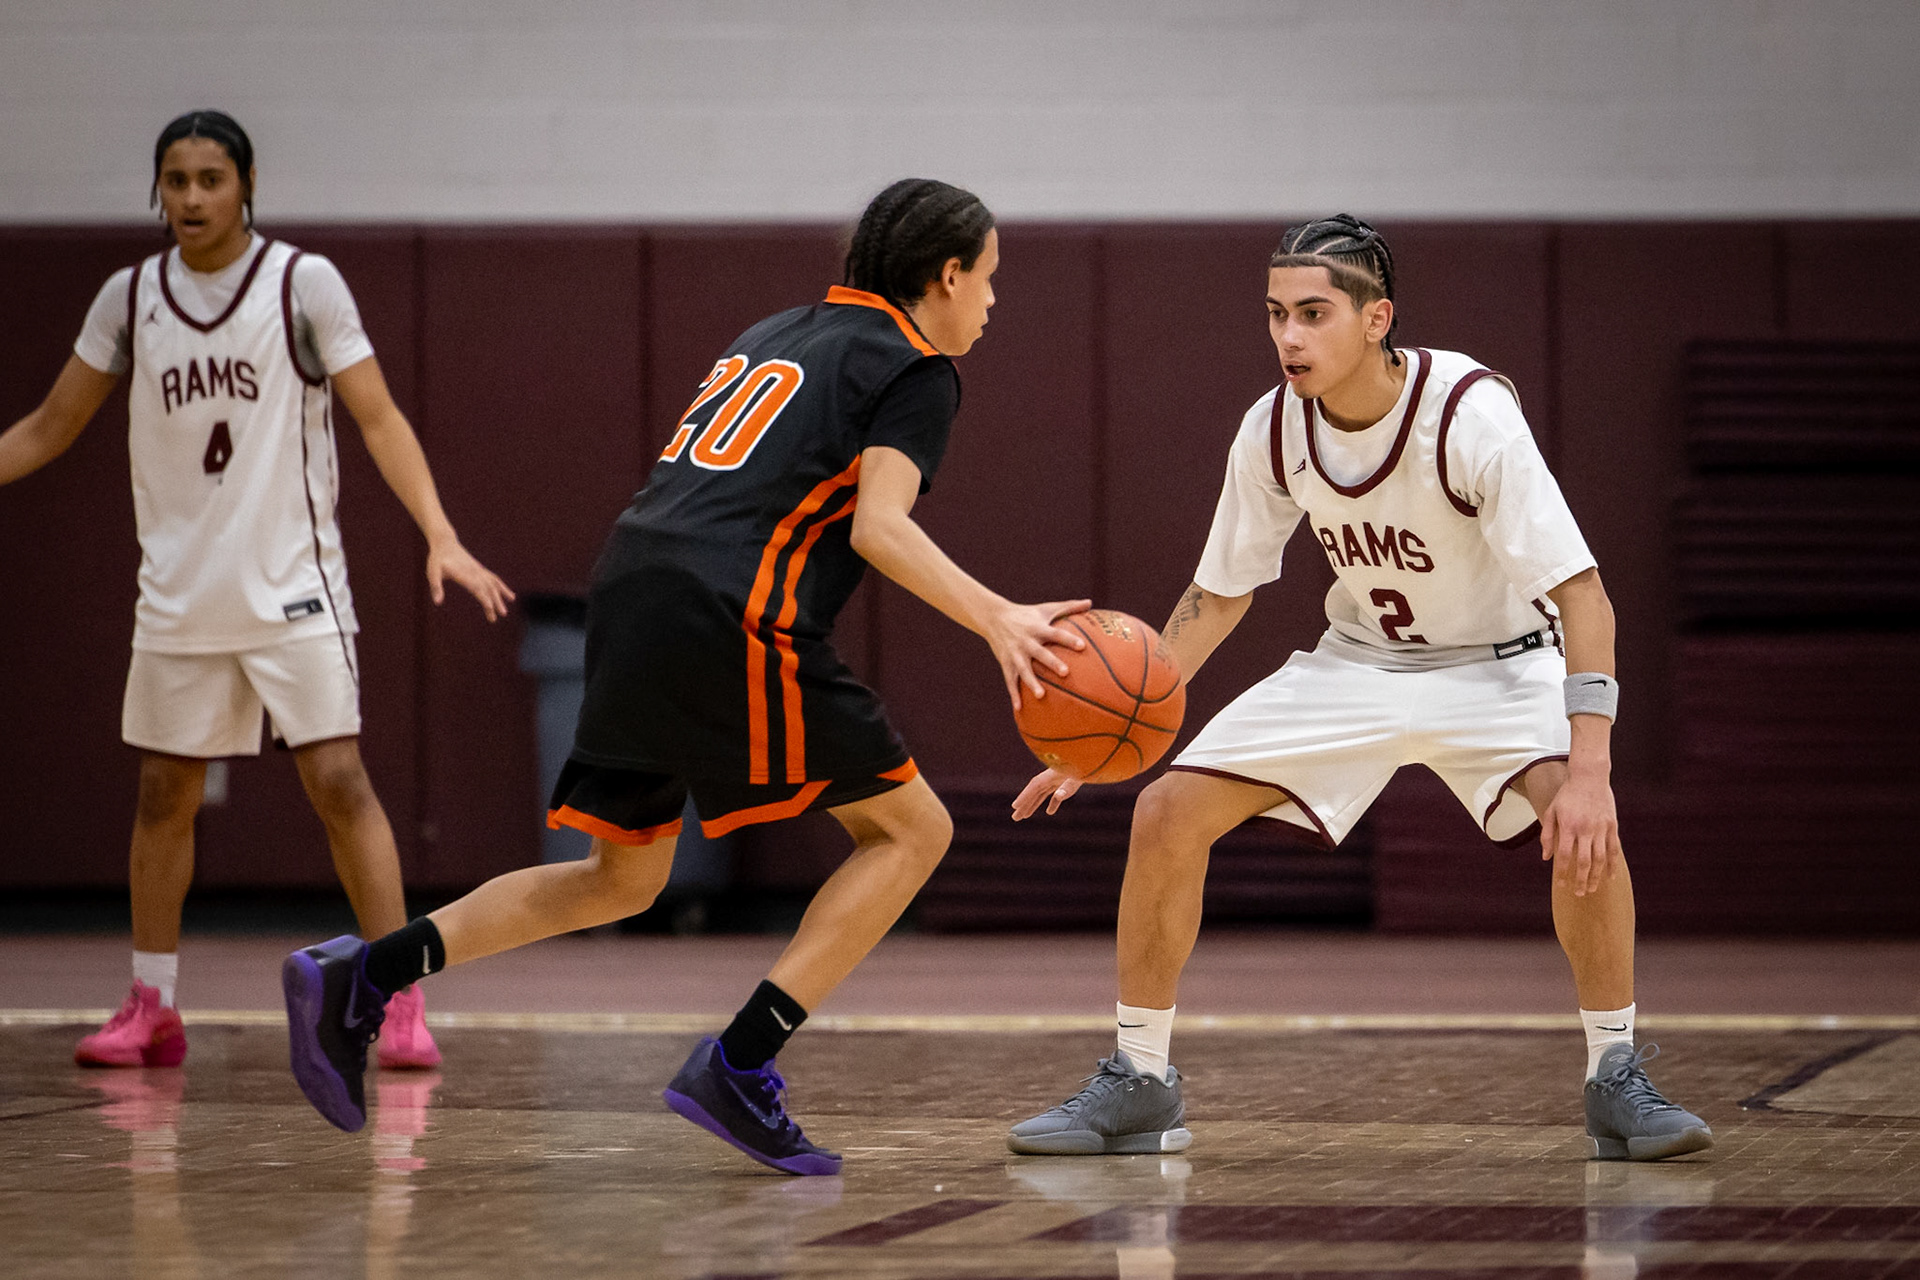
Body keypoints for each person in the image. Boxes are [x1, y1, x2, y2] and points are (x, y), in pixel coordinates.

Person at [280, 179, 1090, 1174]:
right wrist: (998, 616)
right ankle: (740, 1065)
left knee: (621, 877)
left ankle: (364, 974)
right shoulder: (917, 367)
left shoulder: (774, 332)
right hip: (728, 607)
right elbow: (879, 527)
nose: (995, 301)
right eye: (991, 277)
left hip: (630, 586)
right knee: (912, 830)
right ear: (949, 274)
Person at [1006, 215, 1712, 1163]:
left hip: (1501, 664)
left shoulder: (1468, 413)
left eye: (1313, 313)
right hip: (1360, 662)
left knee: (1583, 821)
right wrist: (1113, 736)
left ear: (1376, 319)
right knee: (1164, 811)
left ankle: (1614, 1075)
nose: (1288, 336)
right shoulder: (1273, 427)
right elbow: (1220, 595)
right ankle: (1140, 1080)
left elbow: (1584, 596)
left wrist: (1591, 770)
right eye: (1275, 314)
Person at [0, 110, 513, 1072]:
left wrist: (440, 534)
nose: (193, 197)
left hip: (292, 586)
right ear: (157, 191)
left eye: (212, 179)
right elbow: (49, 426)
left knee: (339, 781)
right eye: (177, 180)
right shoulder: (130, 298)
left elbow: (378, 416)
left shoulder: (300, 284)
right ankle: (152, 1005)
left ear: (246, 187)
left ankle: (399, 996)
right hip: (180, 592)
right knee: (163, 795)